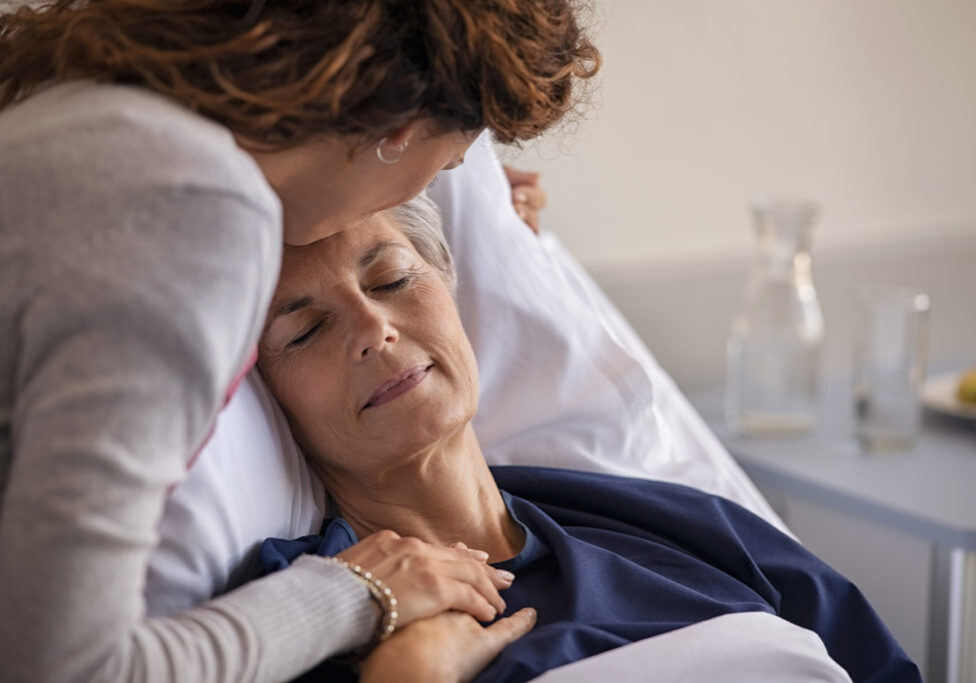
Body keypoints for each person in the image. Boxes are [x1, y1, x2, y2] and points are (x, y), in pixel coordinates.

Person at [0, 1, 599, 681]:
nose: (376, 330)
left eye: (396, 276)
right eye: (449, 166)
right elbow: (66, 668)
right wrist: (358, 593)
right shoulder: (190, 213)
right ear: (397, 133)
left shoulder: (81, 124)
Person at [254, 194, 923, 683]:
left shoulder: (675, 523)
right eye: (305, 330)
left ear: (451, 291)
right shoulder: (310, 607)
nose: (375, 328)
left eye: (393, 278)